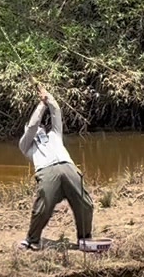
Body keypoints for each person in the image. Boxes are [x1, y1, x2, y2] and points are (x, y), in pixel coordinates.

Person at [18, 83, 94, 250]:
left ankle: (85, 238)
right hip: (47, 171)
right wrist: (41, 105)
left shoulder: (54, 135)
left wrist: (48, 97)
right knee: (42, 207)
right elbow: (32, 126)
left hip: (68, 167)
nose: (38, 128)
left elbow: (56, 112)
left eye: (40, 127)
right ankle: (32, 240)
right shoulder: (25, 144)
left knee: (85, 203)